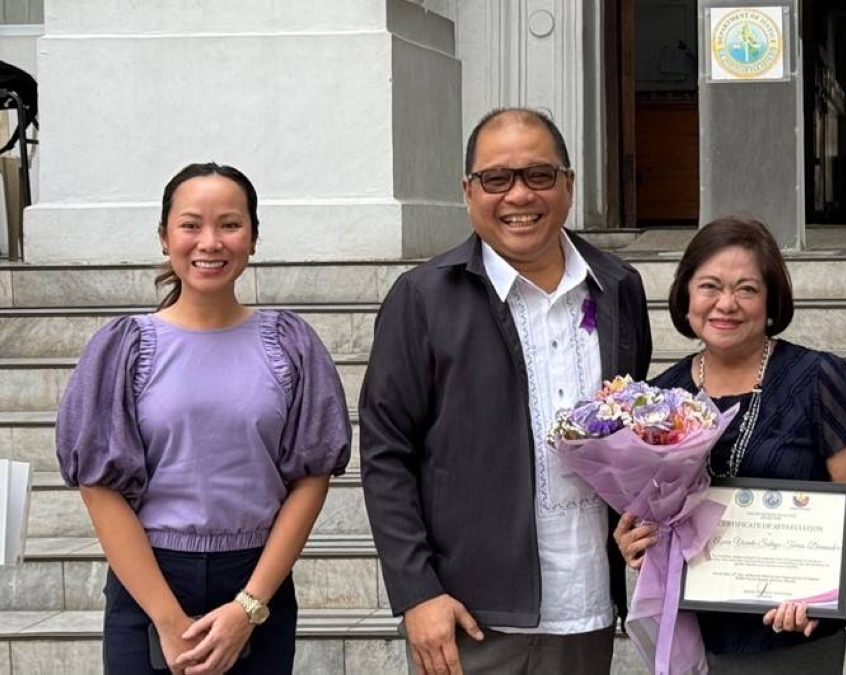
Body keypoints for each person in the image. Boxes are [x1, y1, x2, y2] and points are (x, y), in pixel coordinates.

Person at [359, 107, 653, 675]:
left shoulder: (618, 287)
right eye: (497, 178)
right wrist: (417, 592)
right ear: (468, 192)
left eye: (539, 175)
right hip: (470, 616)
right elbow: (385, 453)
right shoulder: (423, 299)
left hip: (587, 607)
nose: (519, 195)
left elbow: (629, 430)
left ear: (568, 185)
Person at [55, 162, 352, 675]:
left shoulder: (291, 346)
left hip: (257, 577)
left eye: (230, 225)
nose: (209, 242)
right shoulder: (123, 349)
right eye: (191, 225)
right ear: (165, 236)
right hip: (150, 580)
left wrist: (248, 607)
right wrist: (168, 622)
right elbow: (98, 486)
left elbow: (311, 475)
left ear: (253, 238)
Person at [614, 216, 846, 674]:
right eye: (710, 286)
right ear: (686, 296)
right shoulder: (658, 398)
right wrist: (635, 539)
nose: (726, 304)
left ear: (771, 300)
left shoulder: (818, 379)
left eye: (747, 289)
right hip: (694, 628)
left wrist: (810, 583)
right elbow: (650, 511)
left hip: (790, 632)